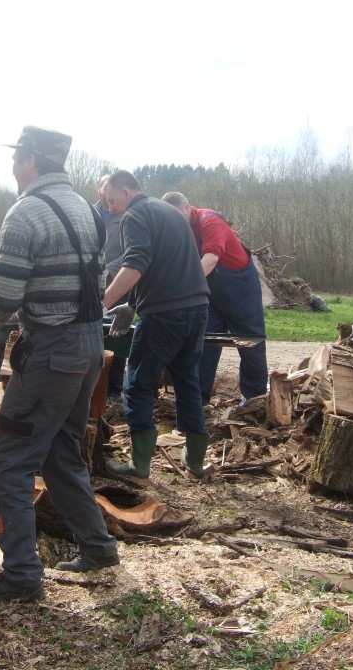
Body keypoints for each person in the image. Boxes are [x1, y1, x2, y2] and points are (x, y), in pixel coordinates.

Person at [0, 125, 119, 603]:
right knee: (61, 450)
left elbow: (5, 296)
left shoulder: (25, 213)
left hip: (53, 351)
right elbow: (96, 277)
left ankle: (23, 576)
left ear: (31, 161)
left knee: (8, 460)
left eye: (16, 158)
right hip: (89, 347)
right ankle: (98, 547)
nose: (11, 167)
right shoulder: (90, 212)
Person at [101, 170, 210, 479]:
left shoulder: (133, 216)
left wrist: (103, 305)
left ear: (125, 191)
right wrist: (133, 305)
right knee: (187, 381)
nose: (109, 207)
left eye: (111, 200)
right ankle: (196, 460)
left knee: (137, 383)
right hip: (198, 307)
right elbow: (166, 263)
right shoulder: (169, 212)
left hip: (165, 314)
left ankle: (139, 464)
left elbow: (135, 265)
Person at [161, 192, 268, 405]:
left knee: (250, 342)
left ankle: (255, 398)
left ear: (185, 207)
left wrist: (182, 286)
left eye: (174, 215)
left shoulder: (209, 220)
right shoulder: (180, 228)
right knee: (205, 341)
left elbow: (210, 258)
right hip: (210, 290)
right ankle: (197, 399)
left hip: (240, 288)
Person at [95, 173, 126, 400]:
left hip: (118, 281)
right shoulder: (89, 212)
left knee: (117, 333)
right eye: (102, 188)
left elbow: (129, 254)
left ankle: (114, 388)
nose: (107, 196)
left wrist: (107, 270)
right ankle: (93, 385)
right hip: (91, 283)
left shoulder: (124, 215)